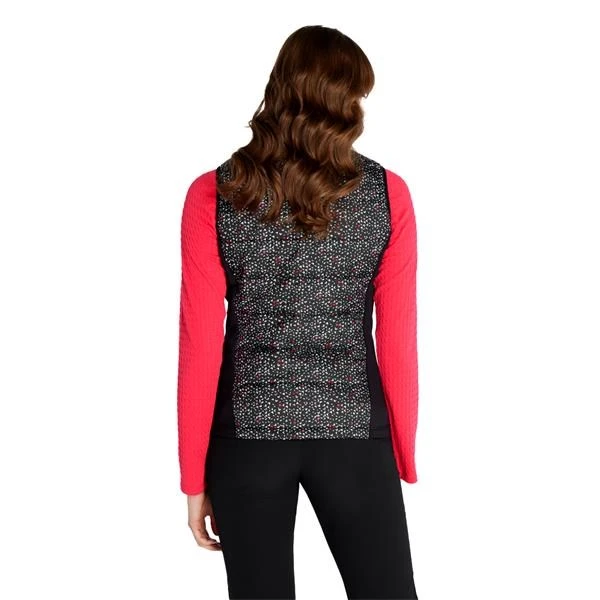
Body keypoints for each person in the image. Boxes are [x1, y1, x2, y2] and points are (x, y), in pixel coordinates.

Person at [177, 24, 419, 600]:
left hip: (247, 439)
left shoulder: (213, 194)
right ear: (343, 103)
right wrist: (402, 451)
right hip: (355, 432)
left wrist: (194, 475)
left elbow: (200, 343)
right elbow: (398, 338)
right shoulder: (389, 195)